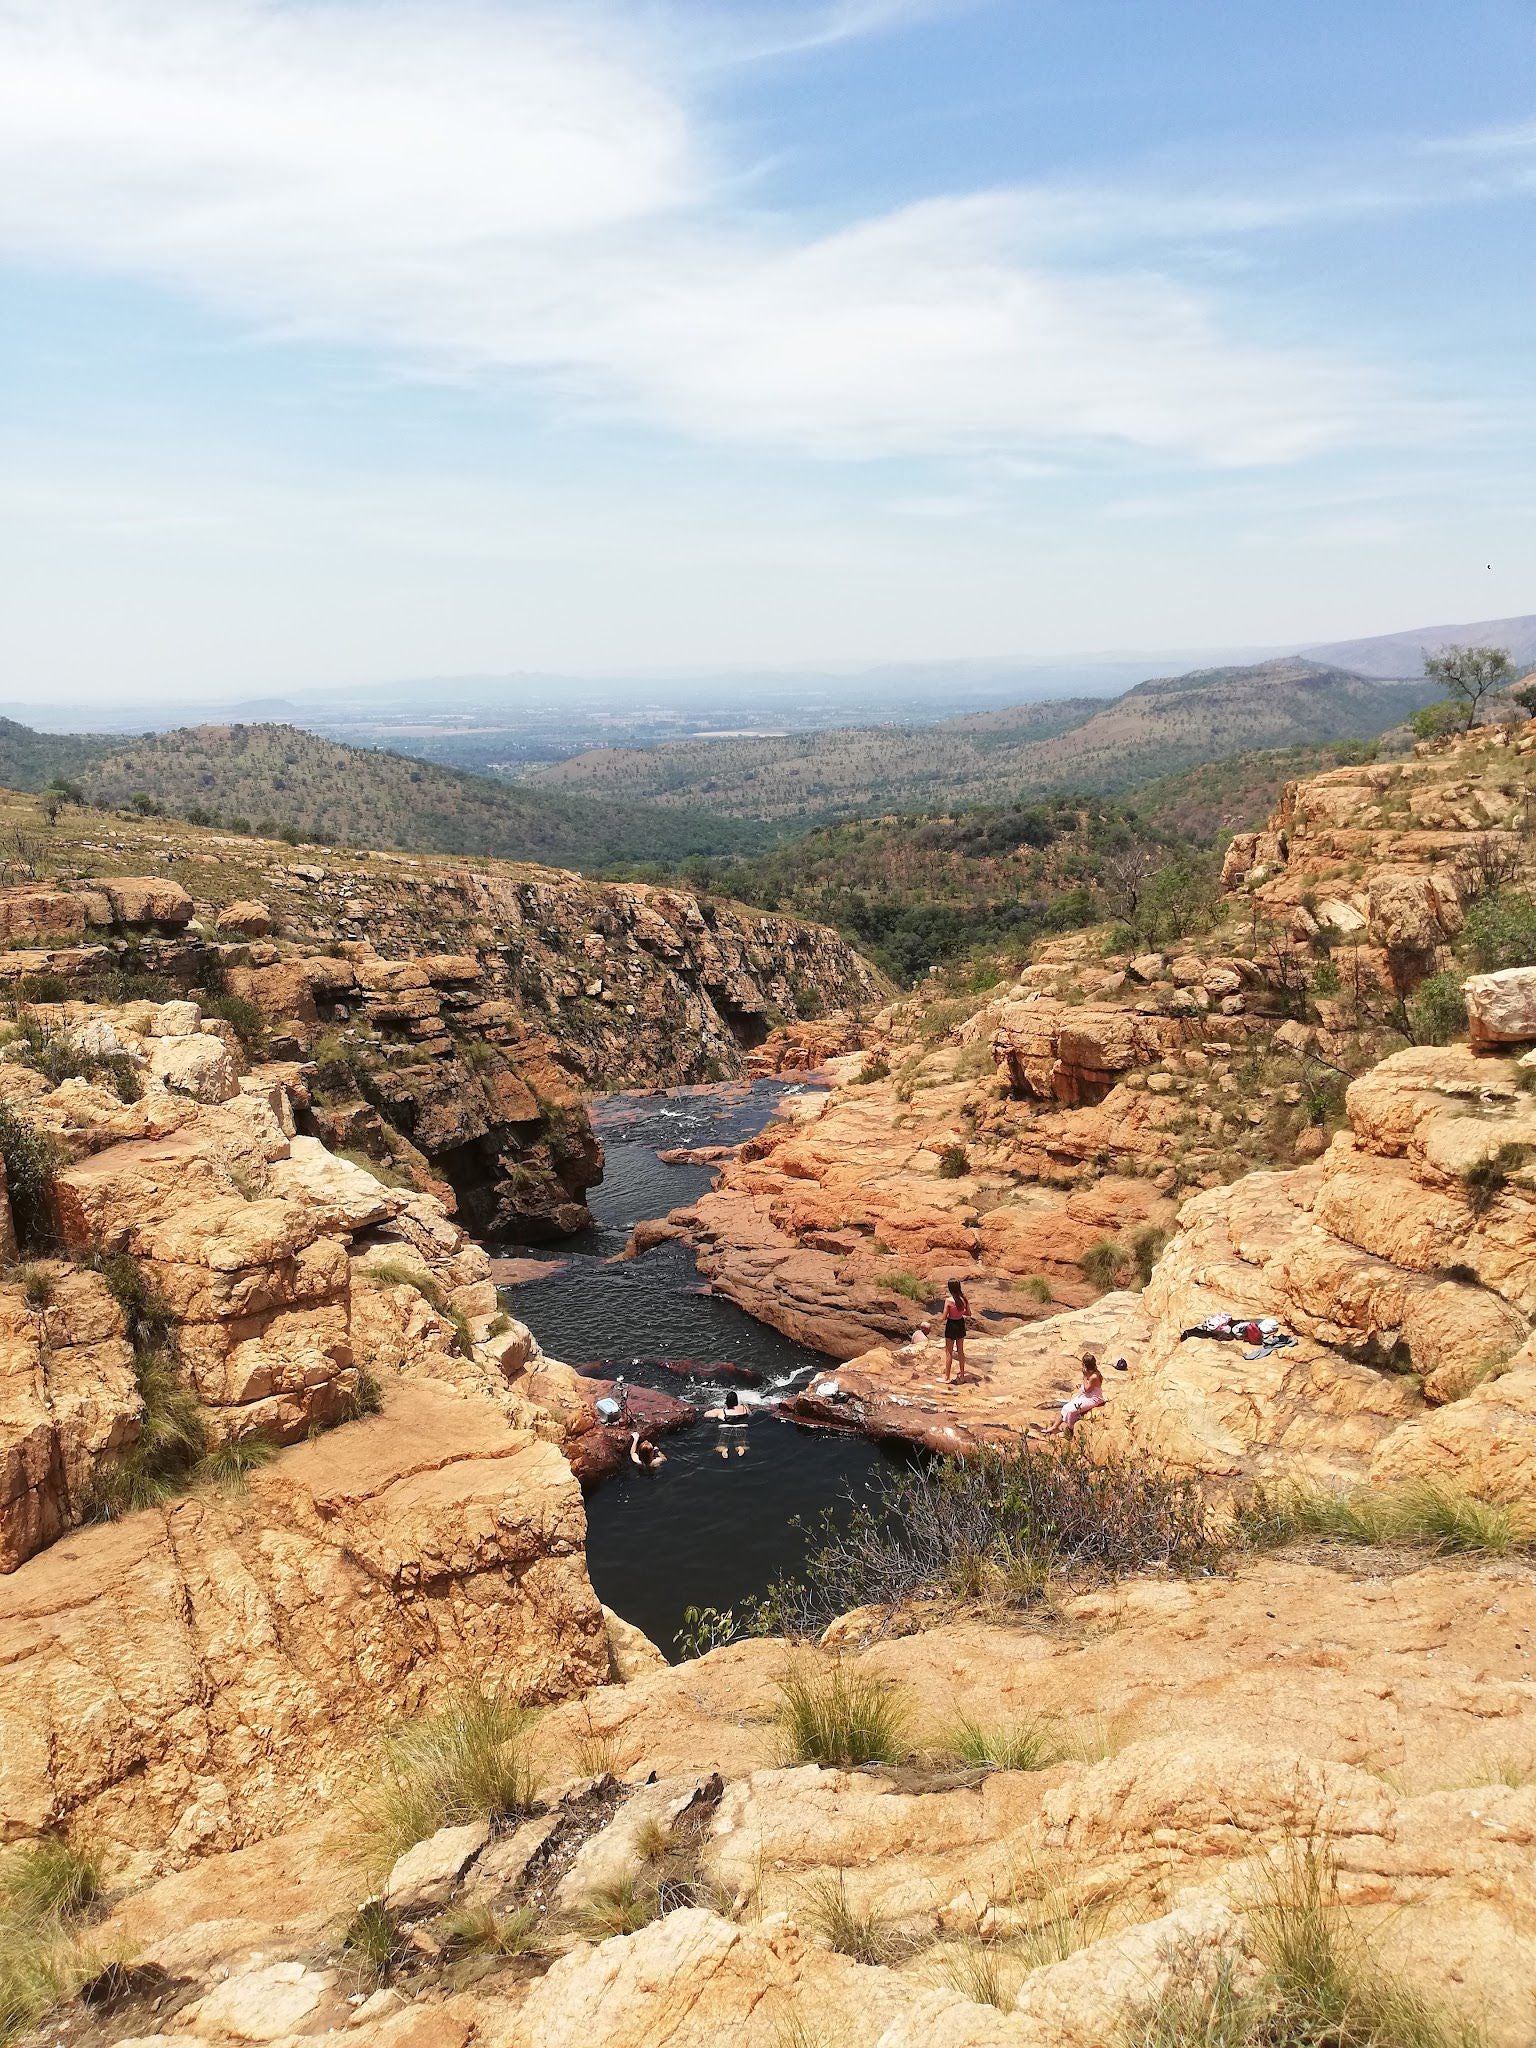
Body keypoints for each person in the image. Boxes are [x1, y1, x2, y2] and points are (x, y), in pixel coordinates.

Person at [1032, 1354, 1105, 1438]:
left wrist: (1084, 1377)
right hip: (1086, 1396)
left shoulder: (1094, 1376)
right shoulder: (1090, 1372)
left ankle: (1070, 1431)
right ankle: (1054, 1427)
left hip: (1093, 1399)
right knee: (1065, 1407)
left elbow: (1087, 1389)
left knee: (1071, 1411)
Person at [932, 1277, 972, 1386]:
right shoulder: (964, 1299)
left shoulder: (949, 1300)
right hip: (960, 1324)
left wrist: (946, 1315)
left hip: (951, 1325)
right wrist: (959, 1312)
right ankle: (962, 1376)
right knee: (960, 1351)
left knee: (949, 1352)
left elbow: (944, 1317)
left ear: (950, 1288)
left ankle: (947, 1377)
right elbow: (969, 1314)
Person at [704, 1387, 751, 1457]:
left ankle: (723, 1449)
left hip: (725, 1427)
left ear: (727, 1402)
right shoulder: (745, 1408)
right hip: (742, 1426)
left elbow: (706, 1415)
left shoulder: (722, 1411)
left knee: (721, 1444)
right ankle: (740, 1448)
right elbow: (750, 1414)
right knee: (742, 1442)